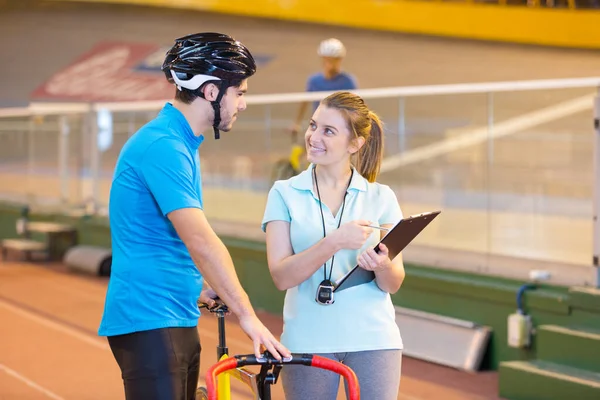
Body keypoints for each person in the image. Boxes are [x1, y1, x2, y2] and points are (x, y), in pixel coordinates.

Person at [98, 32, 290, 400]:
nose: (243, 104)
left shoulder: (179, 142)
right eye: (241, 92)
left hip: (171, 313)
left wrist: (198, 289)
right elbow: (200, 241)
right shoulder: (164, 146)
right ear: (212, 92)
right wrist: (247, 314)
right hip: (151, 317)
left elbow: (158, 240)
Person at [262, 91, 405, 400]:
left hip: (375, 338)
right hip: (307, 339)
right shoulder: (283, 193)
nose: (313, 136)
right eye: (313, 125)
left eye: (328, 131)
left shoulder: (382, 197)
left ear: (355, 144)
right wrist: (335, 241)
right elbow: (281, 276)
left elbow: (394, 284)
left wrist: (383, 266)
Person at [289, 38, 358, 137]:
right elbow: (305, 101)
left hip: (339, 129)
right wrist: (297, 123)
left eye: (333, 60)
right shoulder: (314, 80)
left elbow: (356, 107)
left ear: (340, 60)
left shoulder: (348, 81)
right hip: (319, 127)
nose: (329, 63)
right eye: (326, 59)